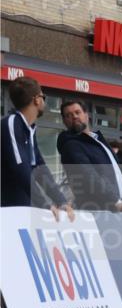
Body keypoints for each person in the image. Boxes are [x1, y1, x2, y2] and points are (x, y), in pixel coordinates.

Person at [59, 99, 122, 221]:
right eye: (68, 115)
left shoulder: (98, 140)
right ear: (65, 121)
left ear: (86, 115)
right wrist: (115, 202)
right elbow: (89, 176)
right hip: (98, 214)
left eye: (77, 112)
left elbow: (120, 176)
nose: (74, 117)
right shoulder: (71, 145)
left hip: (117, 210)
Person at [1, 77, 73, 220]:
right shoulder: (12, 123)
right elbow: (19, 168)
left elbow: (41, 169)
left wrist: (61, 201)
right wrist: (45, 204)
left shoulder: (29, 129)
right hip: (8, 210)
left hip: (22, 209)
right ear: (37, 100)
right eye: (43, 96)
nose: (44, 101)